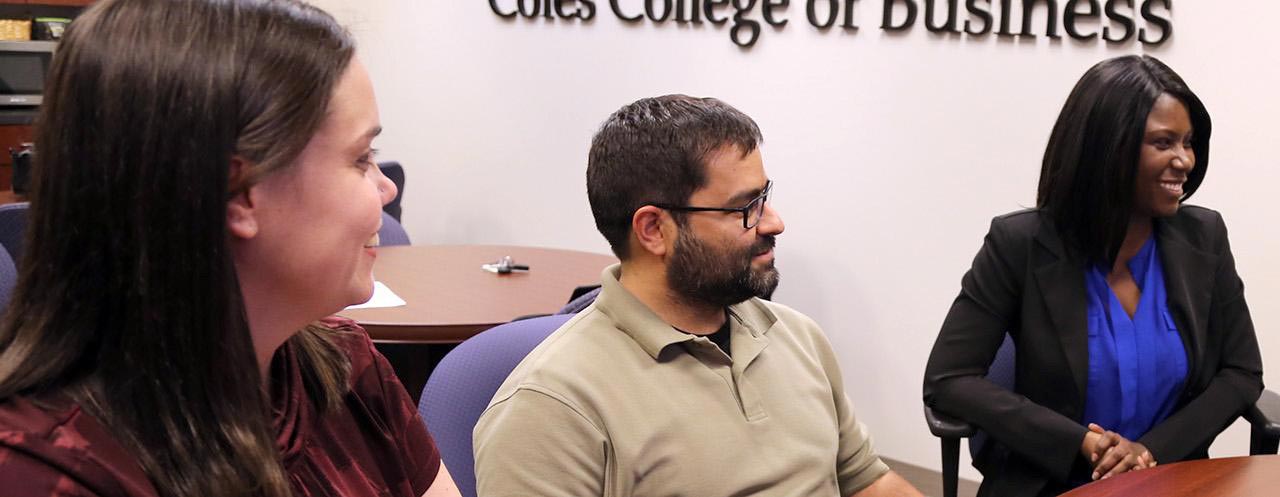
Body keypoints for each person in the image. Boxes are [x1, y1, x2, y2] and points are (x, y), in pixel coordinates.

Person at [0, 0, 459, 496]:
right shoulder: (44, 472)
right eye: (360, 158)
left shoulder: (347, 372)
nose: (386, 189)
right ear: (239, 193)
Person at [471, 95, 921, 497]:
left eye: (765, 197)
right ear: (653, 229)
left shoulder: (797, 336)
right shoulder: (549, 407)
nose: (773, 222)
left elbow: (867, 481)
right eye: (745, 208)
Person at [923, 55, 1264, 497]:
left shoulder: (1204, 238)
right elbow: (949, 380)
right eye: (1164, 143)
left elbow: (1241, 371)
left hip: (1171, 480)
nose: (1185, 161)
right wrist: (1083, 443)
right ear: (1109, 149)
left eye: (1189, 142)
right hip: (1052, 483)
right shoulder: (1020, 244)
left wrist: (1149, 451)